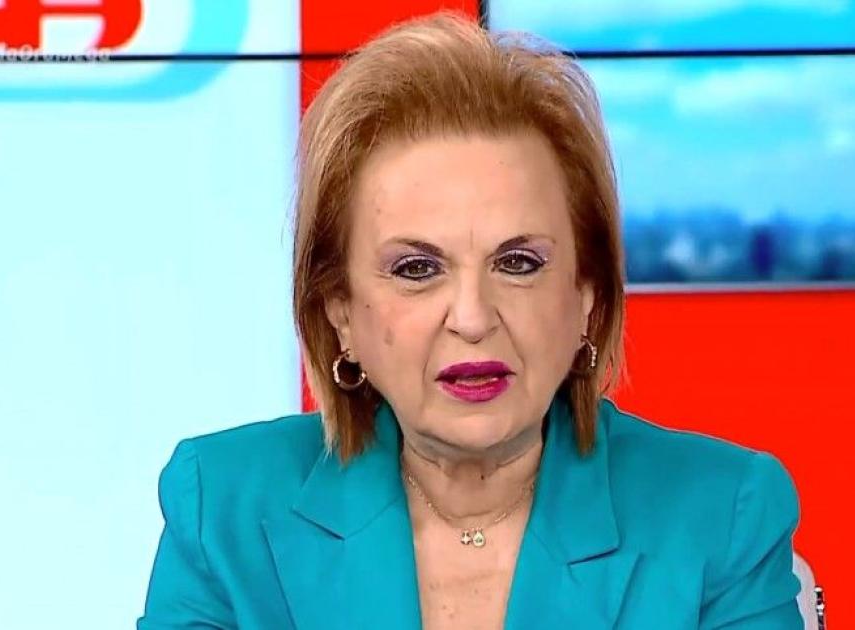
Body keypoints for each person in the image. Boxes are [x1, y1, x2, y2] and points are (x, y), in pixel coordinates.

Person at [137, 12, 802, 630]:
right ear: (340, 313)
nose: (474, 318)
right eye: (417, 269)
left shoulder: (722, 517)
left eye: (517, 263)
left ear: (587, 296)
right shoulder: (221, 511)